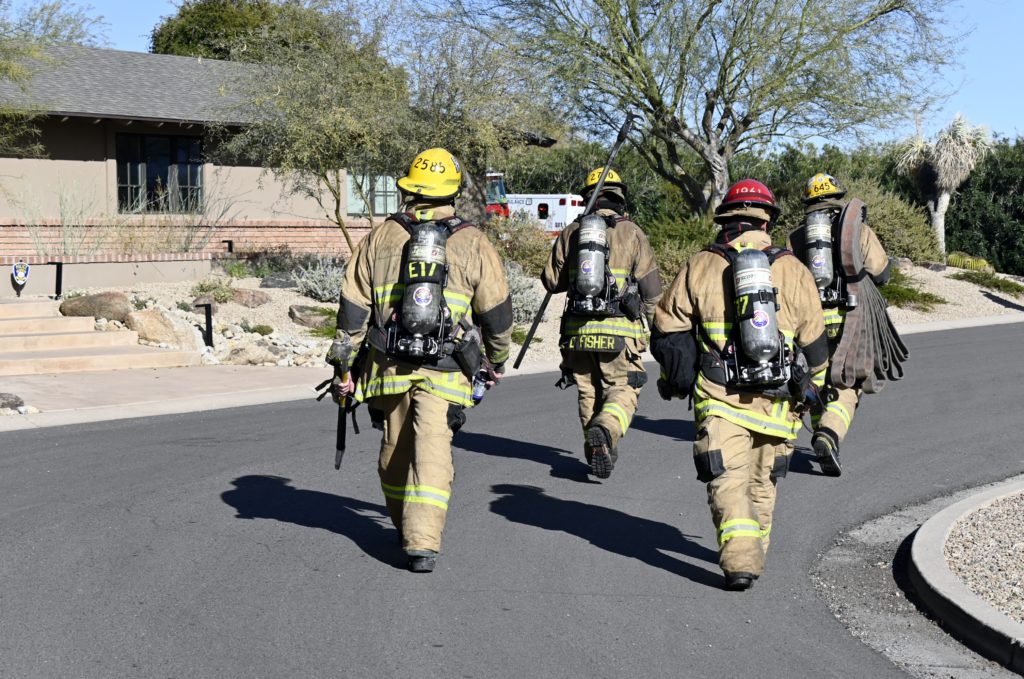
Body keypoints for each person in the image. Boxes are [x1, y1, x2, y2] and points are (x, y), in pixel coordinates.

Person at [330, 147, 513, 573]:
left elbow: (351, 311)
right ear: (452, 191)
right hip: (447, 369)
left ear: (409, 189)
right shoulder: (472, 240)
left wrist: (343, 369)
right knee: (432, 446)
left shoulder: (380, 237)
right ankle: (422, 543)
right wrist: (497, 359)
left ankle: (403, 525)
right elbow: (497, 313)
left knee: (394, 448)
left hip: (388, 365)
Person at [651, 179, 829, 591]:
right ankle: (754, 550)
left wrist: (676, 380)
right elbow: (817, 349)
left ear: (726, 220)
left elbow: (667, 329)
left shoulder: (702, 264)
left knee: (728, 479)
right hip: (779, 405)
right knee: (762, 483)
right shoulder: (794, 269)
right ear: (767, 221)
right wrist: (810, 394)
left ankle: (741, 559)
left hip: (720, 398)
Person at [541, 167, 662, 479]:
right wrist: (659, 333)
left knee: (588, 392)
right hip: (620, 332)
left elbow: (551, 281)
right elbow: (651, 291)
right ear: (620, 198)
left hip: (577, 333)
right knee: (623, 389)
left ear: (588, 198)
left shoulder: (572, 231)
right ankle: (606, 430)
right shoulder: (632, 232)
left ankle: (597, 446)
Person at [787, 173, 891, 477]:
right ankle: (828, 434)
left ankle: (812, 432)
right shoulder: (857, 230)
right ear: (837, 198)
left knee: (815, 378)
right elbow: (882, 273)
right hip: (850, 319)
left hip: (812, 323)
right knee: (848, 382)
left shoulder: (797, 237)